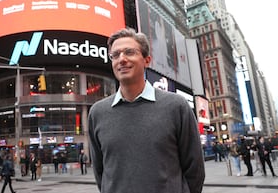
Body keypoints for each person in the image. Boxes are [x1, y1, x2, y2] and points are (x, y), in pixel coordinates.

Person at [88, 28, 205, 193]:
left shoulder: (176, 106)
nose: (122, 59)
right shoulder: (97, 113)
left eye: (129, 52)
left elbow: (195, 169)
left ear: (146, 60)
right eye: (115, 55)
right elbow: (100, 173)